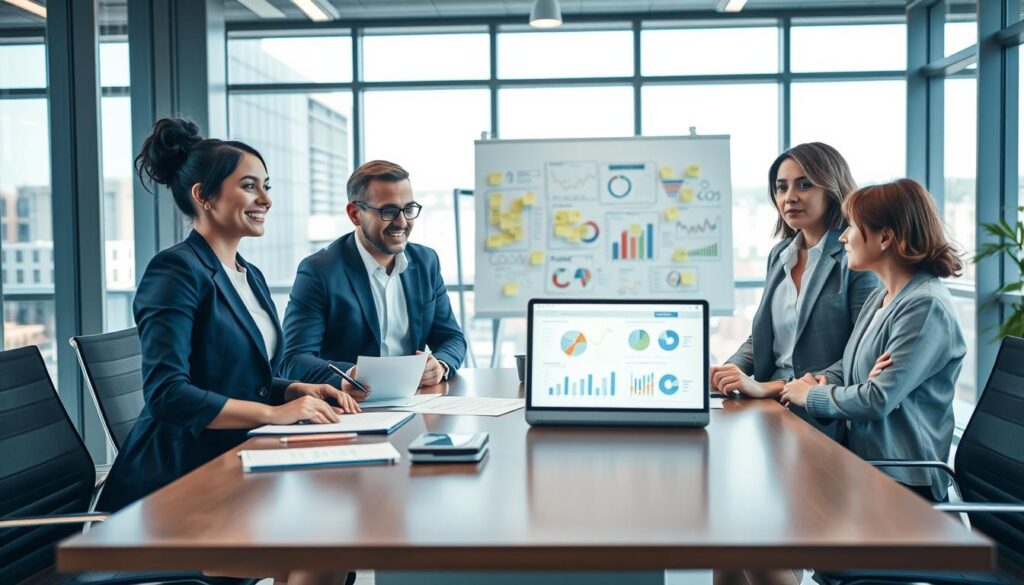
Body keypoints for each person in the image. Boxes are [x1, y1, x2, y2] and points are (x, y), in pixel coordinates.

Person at [99, 118, 357, 585]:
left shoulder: (248, 274)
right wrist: (276, 414)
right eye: (250, 186)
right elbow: (167, 394)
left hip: (235, 466)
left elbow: (240, 376)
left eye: (267, 187)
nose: (266, 200)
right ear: (204, 196)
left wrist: (294, 388)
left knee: (332, 535)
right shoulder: (175, 271)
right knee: (321, 550)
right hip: (177, 488)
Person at [781, 178, 965, 505]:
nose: (843, 236)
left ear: (885, 237)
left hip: (904, 481)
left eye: (852, 226)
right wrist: (827, 381)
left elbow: (876, 399)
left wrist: (811, 395)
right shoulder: (884, 296)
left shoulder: (925, 307)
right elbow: (851, 363)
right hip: (868, 466)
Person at [710, 143, 879, 432]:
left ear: (832, 188)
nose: (790, 197)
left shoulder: (856, 257)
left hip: (823, 414)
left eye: (804, 185)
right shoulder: (780, 254)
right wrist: (728, 371)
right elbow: (763, 337)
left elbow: (861, 353)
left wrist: (771, 387)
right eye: (781, 187)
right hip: (767, 409)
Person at [282, 160, 467, 395]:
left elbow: (451, 337)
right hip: (348, 408)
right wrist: (350, 376)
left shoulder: (425, 261)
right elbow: (294, 359)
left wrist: (439, 366)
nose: (401, 222)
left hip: (415, 403)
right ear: (355, 214)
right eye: (388, 211)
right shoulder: (319, 271)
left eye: (408, 209)